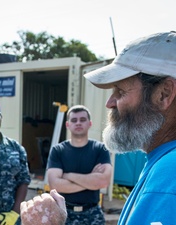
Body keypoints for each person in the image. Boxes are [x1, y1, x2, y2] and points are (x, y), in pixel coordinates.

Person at [83, 31, 176, 224]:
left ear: (164, 94)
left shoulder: (170, 175)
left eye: (120, 90)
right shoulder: (162, 162)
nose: (110, 102)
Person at [47, 105, 112, 225]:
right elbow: (55, 185)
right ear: (67, 125)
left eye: (82, 120)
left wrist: (68, 175)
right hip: (64, 214)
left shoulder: (100, 149)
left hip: (93, 214)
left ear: (90, 123)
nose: (78, 123)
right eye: (74, 120)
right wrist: (91, 181)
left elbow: (103, 182)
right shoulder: (58, 150)